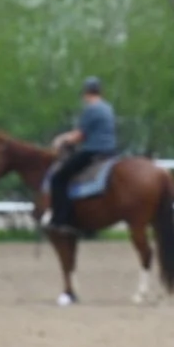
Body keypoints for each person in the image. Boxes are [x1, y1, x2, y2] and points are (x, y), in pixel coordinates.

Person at [44, 76, 118, 232]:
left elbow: (79, 136)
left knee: (58, 178)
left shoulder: (91, 109)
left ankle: (60, 220)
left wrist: (61, 140)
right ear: (100, 92)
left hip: (93, 151)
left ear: (86, 93)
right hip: (110, 152)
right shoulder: (108, 108)